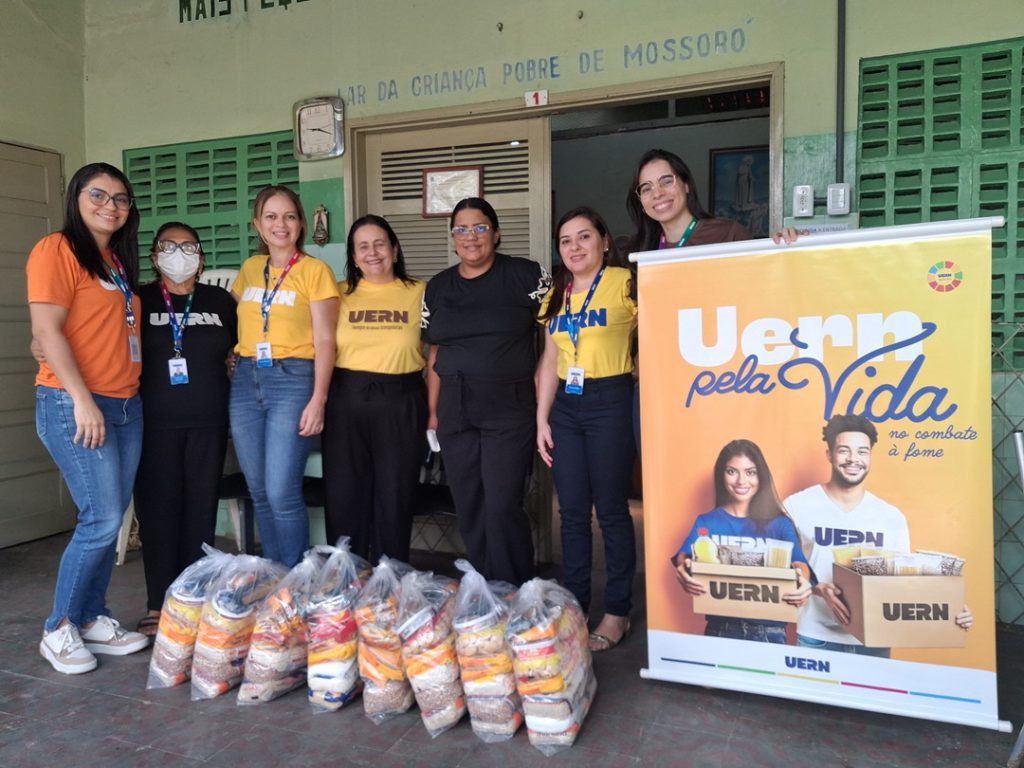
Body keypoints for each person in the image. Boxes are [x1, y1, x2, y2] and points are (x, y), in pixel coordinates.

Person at [27, 162, 150, 673]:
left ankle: (92, 616)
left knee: (109, 517)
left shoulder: (114, 261)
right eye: (98, 195)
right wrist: (82, 399)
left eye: (120, 199)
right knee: (100, 519)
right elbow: (47, 331)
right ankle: (58, 627)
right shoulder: (56, 249)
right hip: (76, 402)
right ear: (76, 197)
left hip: (125, 404)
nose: (110, 206)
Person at [625, 148, 798, 453]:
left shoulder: (727, 235)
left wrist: (792, 247)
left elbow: (770, 290)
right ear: (640, 199)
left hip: (717, 386)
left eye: (666, 181)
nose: (657, 193)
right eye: (646, 188)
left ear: (685, 184)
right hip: (659, 390)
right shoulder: (642, 252)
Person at [422, 197, 551, 584]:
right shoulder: (438, 287)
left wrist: (542, 383)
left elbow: (559, 333)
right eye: (461, 229)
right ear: (453, 238)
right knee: (470, 503)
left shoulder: (528, 276)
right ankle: (483, 587)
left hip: (508, 407)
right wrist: (432, 412)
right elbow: (434, 352)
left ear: (496, 233)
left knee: (501, 504)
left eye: (480, 227)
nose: (471, 237)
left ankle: (514, 588)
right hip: (455, 407)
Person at [784, 414, 972, 656]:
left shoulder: (891, 517)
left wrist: (950, 608)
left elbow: (904, 584)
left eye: (862, 451)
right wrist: (819, 588)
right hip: (816, 636)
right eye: (844, 450)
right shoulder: (797, 506)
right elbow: (783, 568)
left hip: (875, 640)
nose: (853, 459)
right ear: (829, 455)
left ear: (870, 456)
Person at [536, 206, 637, 651]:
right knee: (572, 512)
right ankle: (575, 606)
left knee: (611, 510)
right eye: (565, 240)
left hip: (610, 398)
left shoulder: (626, 283)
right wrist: (541, 418)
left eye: (584, 237)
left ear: (604, 241)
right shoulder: (555, 295)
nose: (574, 247)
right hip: (565, 406)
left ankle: (617, 611)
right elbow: (550, 359)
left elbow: (657, 334)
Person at [133, 222, 237, 636]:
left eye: (189, 246)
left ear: (201, 256)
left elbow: (244, 347)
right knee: (158, 513)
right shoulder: (139, 300)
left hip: (208, 421)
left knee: (200, 512)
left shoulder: (220, 301)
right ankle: (158, 603)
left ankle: (193, 601)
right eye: (169, 246)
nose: (179, 254)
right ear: (155, 256)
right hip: (153, 422)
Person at [229, 185, 339, 568]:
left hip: (293, 379)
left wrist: (319, 399)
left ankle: (296, 579)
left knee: (281, 491)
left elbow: (326, 341)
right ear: (258, 224)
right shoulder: (249, 269)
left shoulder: (315, 272)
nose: (281, 224)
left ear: (301, 224)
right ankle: (274, 575)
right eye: (271, 217)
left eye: (289, 216)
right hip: (246, 380)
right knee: (258, 490)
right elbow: (238, 320)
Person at [321, 215, 426, 562]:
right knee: (344, 493)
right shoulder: (335, 293)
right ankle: (345, 574)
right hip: (345, 398)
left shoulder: (421, 292)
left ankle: (388, 578)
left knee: (395, 494)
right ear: (353, 256)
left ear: (394, 249)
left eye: (380, 244)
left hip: (401, 399)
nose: (373, 253)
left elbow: (442, 349)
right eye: (363, 246)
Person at [674, 439, 813, 643]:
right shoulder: (707, 522)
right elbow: (685, 556)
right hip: (720, 628)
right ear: (721, 475)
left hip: (770, 630)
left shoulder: (780, 523)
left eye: (750, 472)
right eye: (732, 471)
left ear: (761, 476)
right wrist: (684, 569)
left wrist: (804, 583)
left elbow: (799, 562)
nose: (741, 481)